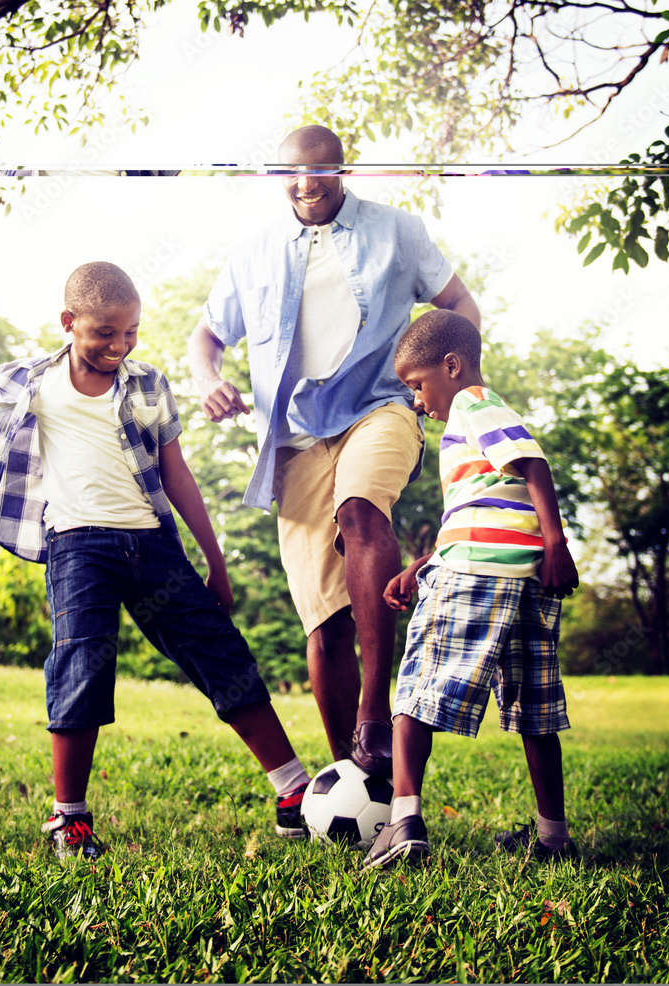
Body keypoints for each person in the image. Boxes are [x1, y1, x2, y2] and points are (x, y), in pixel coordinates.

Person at [0, 261, 311, 859]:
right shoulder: (27, 383)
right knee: (81, 664)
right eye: (104, 332)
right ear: (69, 322)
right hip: (77, 544)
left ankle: (293, 789)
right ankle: (71, 818)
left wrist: (213, 559)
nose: (119, 345)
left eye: (130, 332)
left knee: (219, 648)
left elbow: (176, 474)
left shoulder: (147, 385)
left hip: (150, 542)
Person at [188, 124, 481, 776]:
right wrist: (209, 382)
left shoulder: (397, 231)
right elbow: (205, 339)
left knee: (361, 510)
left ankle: (376, 711)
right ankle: (355, 778)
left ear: (343, 170)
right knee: (325, 624)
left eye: (320, 172)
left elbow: (458, 302)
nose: (305, 185)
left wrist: (454, 384)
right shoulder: (254, 251)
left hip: (379, 409)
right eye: (293, 173)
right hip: (293, 439)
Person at [362, 309, 580, 870]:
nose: (416, 401)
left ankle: (404, 820)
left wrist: (557, 542)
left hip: (476, 578)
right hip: (521, 581)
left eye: (416, 384)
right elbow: (475, 512)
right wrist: (420, 565)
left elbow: (533, 462)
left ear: (451, 367)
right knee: (537, 711)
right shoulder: (471, 426)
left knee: (414, 691)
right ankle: (553, 838)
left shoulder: (473, 403)